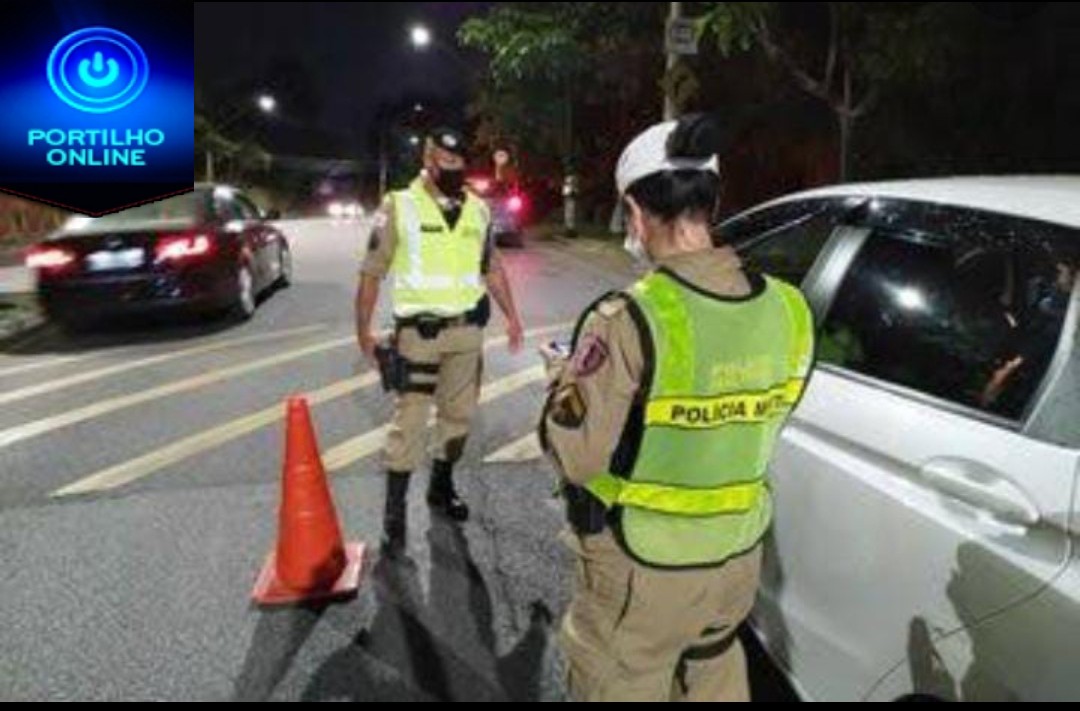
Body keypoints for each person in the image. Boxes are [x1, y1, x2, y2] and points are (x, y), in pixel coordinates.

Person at [538, 114, 815, 701]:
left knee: (622, 680)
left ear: (636, 213)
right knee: (715, 673)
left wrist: (562, 381)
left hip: (646, 568)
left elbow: (579, 458)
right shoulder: (791, 310)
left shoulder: (629, 317)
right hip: (737, 560)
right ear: (711, 203)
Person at [356, 126, 525, 556]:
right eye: (445, 162)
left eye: (459, 163)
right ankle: (395, 514)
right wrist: (364, 330)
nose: (454, 170)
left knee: (459, 417)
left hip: (468, 332)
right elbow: (372, 270)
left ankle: (441, 488)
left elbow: (493, 269)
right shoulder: (400, 205)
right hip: (418, 334)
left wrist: (513, 317)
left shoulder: (479, 211)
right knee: (409, 423)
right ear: (428, 161)